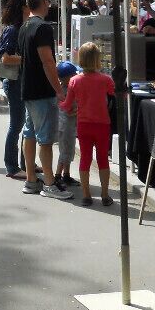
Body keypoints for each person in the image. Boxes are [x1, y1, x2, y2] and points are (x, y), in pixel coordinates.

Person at [18, 0, 73, 200]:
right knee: (45, 139)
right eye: (48, 0)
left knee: (30, 134)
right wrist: (59, 90)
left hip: (28, 88)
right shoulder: (43, 27)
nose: (49, 4)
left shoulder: (25, 26)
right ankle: (49, 183)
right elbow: (47, 61)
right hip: (42, 90)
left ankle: (31, 179)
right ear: (42, 1)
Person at [59, 43, 115, 207]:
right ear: (98, 59)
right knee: (103, 159)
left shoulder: (74, 81)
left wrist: (59, 102)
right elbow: (118, 94)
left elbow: (67, 105)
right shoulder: (106, 79)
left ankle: (86, 195)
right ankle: (105, 195)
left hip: (83, 124)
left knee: (85, 158)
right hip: (102, 124)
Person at [0, 0, 28, 180]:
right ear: (23, 7)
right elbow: (6, 58)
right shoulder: (13, 29)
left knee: (25, 125)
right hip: (15, 82)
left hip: (21, 81)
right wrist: (29, 59)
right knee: (17, 125)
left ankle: (26, 163)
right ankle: (12, 166)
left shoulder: (22, 27)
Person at [54, 61, 78, 187]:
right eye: (73, 74)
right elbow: (69, 110)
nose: (75, 76)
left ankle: (66, 175)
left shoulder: (62, 88)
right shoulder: (66, 91)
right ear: (67, 77)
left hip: (67, 126)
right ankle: (58, 175)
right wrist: (79, 110)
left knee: (68, 150)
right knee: (65, 151)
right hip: (65, 126)